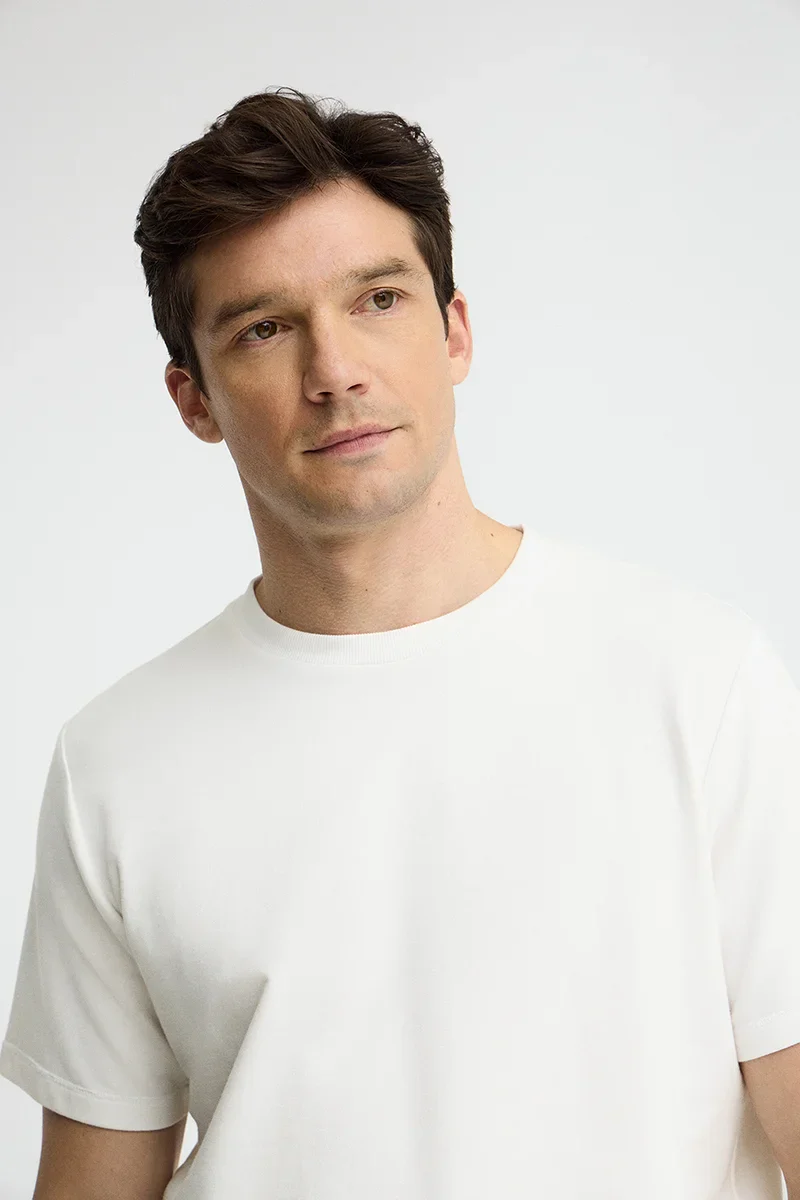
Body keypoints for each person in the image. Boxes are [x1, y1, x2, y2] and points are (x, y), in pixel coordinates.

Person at [2, 86, 800, 1200]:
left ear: (453, 330)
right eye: (264, 328)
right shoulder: (116, 762)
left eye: (377, 299)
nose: (335, 370)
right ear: (194, 399)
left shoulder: (696, 681)